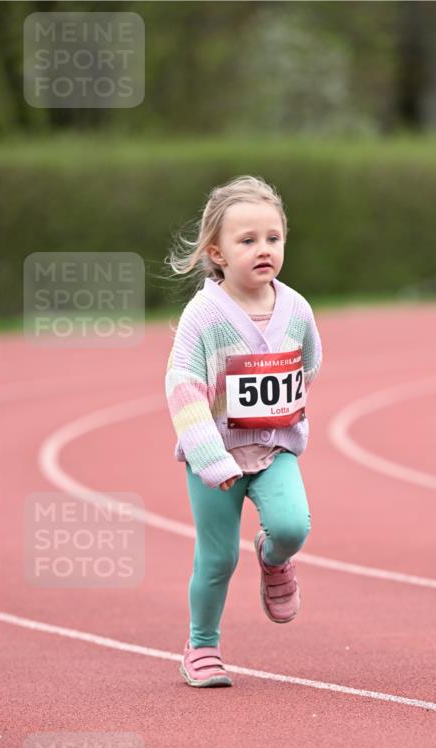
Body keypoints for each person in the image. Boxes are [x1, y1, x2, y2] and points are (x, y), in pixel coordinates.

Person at [165, 175, 323, 688]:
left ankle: (273, 560)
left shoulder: (296, 309)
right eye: (248, 240)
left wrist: (283, 413)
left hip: (275, 449)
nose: (264, 249)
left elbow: (308, 363)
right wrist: (210, 458)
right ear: (217, 252)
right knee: (217, 559)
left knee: (292, 527)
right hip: (216, 459)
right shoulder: (203, 316)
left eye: (273, 238)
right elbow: (183, 388)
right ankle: (201, 647)